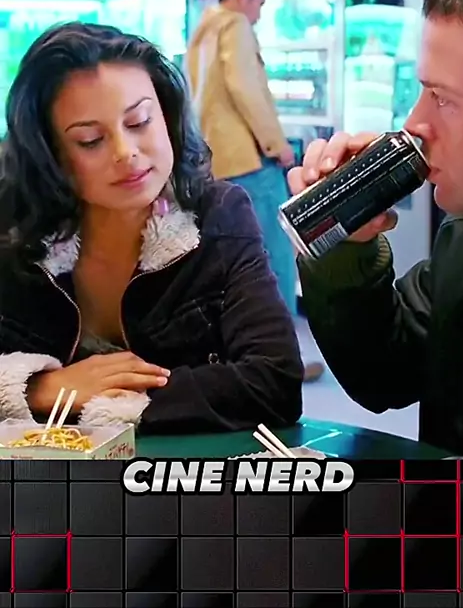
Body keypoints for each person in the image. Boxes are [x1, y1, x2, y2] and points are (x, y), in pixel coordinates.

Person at [0, 22, 303, 434]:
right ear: (49, 155)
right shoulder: (12, 229)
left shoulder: (219, 214)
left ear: (167, 116)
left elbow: (276, 380)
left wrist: (120, 401)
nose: (126, 153)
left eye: (140, 121)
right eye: (90, 140)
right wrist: (40, 388)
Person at [288, 0, 463, 458]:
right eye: (421, 92)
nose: (415, 122)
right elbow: (382, 375)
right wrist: (346, 246)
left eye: (443, 99)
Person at [186, 0, 324, 382]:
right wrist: (277, 145)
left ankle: (241, 355)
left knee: (232, 262)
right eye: (260, 3)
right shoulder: (235, 26)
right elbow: (247, 88)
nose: (259, 14)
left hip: (215, 162)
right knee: (276, 257)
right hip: (248, 160)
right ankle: (284, 358)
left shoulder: (201, 31)